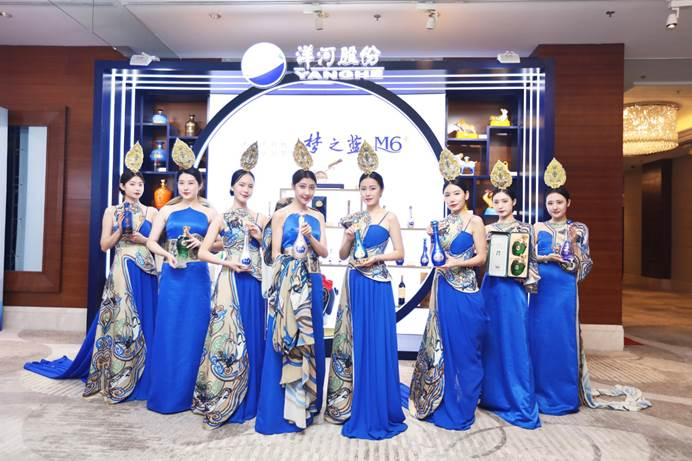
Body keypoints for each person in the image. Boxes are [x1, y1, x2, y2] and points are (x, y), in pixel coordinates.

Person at [24, 142, 158, 403]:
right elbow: (104, 245)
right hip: (123, 269)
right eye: (132, 184)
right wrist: (120, 231)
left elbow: (155, 242)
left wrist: (142, 239)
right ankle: (118, 372)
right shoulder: (112, 211)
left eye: (140, 184)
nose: (137, 188)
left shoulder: (152, 211)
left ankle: (145, 371)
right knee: (122, 318)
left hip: (147, 269)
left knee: (147, 317)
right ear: (122, 186)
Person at [529, 159, 651, 413]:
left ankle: (563, 395)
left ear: (568, 203)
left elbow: (584, 267)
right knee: (539, 338)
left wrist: (573, 244)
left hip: (564, 291)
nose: (554, 207)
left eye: (559, 202)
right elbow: (528, 260)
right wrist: (545, 258)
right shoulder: (537, 227)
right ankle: (538, 390)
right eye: (550, 203)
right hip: (542, 290)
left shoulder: (579, 229)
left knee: (564, 339)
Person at [326, 142, 407, 440]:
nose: (367, 192)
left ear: (381, 190)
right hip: (355, 283)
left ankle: (377, 401)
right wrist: (348, 237)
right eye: (363, 188)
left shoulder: (390, 217)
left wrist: (376, 258)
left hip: (378, 283)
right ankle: (352, 400)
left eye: (372, 188)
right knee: (355, 341)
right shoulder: (354, 219)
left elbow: (400, 253)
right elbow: (342, 254)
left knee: (377, 340)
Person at [409, 150, 488, 431]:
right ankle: (441, 397)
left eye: (456, 193)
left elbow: (481, 257)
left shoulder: (475, 221)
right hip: (443, 289)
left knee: (467, 347)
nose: (452, 198)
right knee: (443, 345)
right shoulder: (440, 225)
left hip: (466, 290)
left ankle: (465, 401)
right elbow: (436, 259)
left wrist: (458, 262)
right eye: (447, 195)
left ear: (466, 195)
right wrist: (431, 240)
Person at [192, 143, 268, 428]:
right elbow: (203, 252)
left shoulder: (261, 218)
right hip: (230, 280)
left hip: (254, 282)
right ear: (232, 187)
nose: (246, 189)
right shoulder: (220, 218)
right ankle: (223, 397)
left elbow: (272, 254)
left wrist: (259, 237)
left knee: (253, 334)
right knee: (226, 335)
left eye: (250, 186)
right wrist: (228, 262)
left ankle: (252, 396)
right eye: (241, 185)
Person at [255, 140, 328, 435]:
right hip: (287, 281)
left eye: (311, 187)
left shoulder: (318, 216)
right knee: (285, 336)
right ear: (294, 187)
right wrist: (289, 262)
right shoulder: (281, 215)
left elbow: (324, 252)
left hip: (312, 278)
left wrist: (310, 238)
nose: (307, 192)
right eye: (302, 187)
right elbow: (273, 254)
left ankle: (306, 406)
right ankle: (279, 409)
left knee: (309, 339)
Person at [145, 139, 216, 414]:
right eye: (182, 183)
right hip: (173, 275)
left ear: (200, 185)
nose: (186, 187)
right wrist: (167, 255)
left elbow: (223, 242)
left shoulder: (209, 212)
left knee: (195, 332)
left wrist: (203, 244)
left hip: (198, 277)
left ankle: (193, 394)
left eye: (191, 183)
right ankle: (167, 393)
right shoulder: (167, 210)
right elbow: (151, 241)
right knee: (169, 330)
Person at [479, 160, 541, 429]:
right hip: (490, 289)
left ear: (514, 203)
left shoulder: (525, 230)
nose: (500, 205)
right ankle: (491, 395)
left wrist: (523, 275)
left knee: (514, 341)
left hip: (513, 291)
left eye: (505, 201)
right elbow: (478, 260)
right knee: (490, 340)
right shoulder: (486, 229)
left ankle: (517, 398)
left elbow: (533, 265)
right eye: (497, 201)